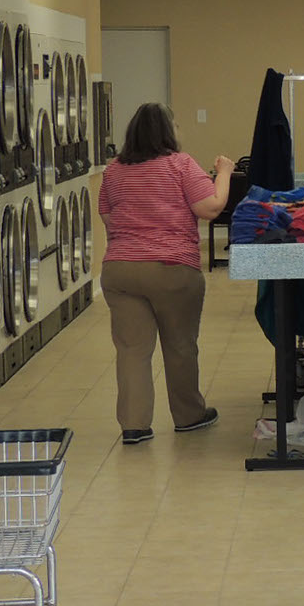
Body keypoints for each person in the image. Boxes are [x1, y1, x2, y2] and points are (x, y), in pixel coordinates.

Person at [97, 102, 232, 446]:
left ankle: (134, 426)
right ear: (168, 131)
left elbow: (109, 219)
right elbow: (211, 208)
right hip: (172, 270)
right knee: (179, 346)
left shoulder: (113, 171)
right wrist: (225, 173)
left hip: (121, 271)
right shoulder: (180, 164)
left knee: (131, 350)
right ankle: (188, 416)